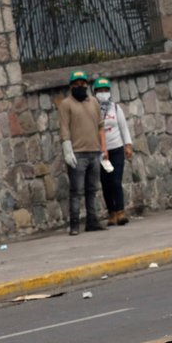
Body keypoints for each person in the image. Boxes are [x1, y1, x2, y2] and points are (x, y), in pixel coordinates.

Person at [58, 70, 108, 235]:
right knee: (76, 190)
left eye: (83, 83)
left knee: (92, 189)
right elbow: (64, 128)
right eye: (76, 83)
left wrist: (103, 148)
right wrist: (67, 149)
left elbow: (100, 126)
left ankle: (92, 221)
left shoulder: (93, 102)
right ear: (71, 86)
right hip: (77, 153)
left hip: (94, 151)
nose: (80, 86)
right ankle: (74, 224)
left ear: (87, 84)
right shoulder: (66, 104)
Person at [93, 77, 133, 226]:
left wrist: (128, 145)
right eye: (100, 91)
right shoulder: (93, 110)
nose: (103, 93)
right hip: (102, 152)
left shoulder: (115, 108)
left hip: (116, 149)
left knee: (116, 181)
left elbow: (123, 127)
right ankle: (111, 212)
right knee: (106, 183)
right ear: (94, 92)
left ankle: (121, 211)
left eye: (105, 90)